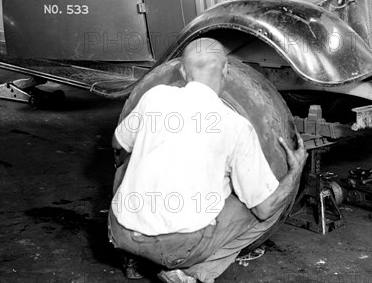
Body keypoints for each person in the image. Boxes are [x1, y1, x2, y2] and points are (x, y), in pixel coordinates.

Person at [108, 38, 308, 283]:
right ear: (225, 70)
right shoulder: (235, 125)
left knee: (125, 166)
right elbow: (264, 208)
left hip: (120, 232)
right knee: (267, 207)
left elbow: (117, 144)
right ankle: (192, 271)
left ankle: (134, 261)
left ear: (182, 70)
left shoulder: (154, 96)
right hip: (177, 249)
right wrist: (295, 171)